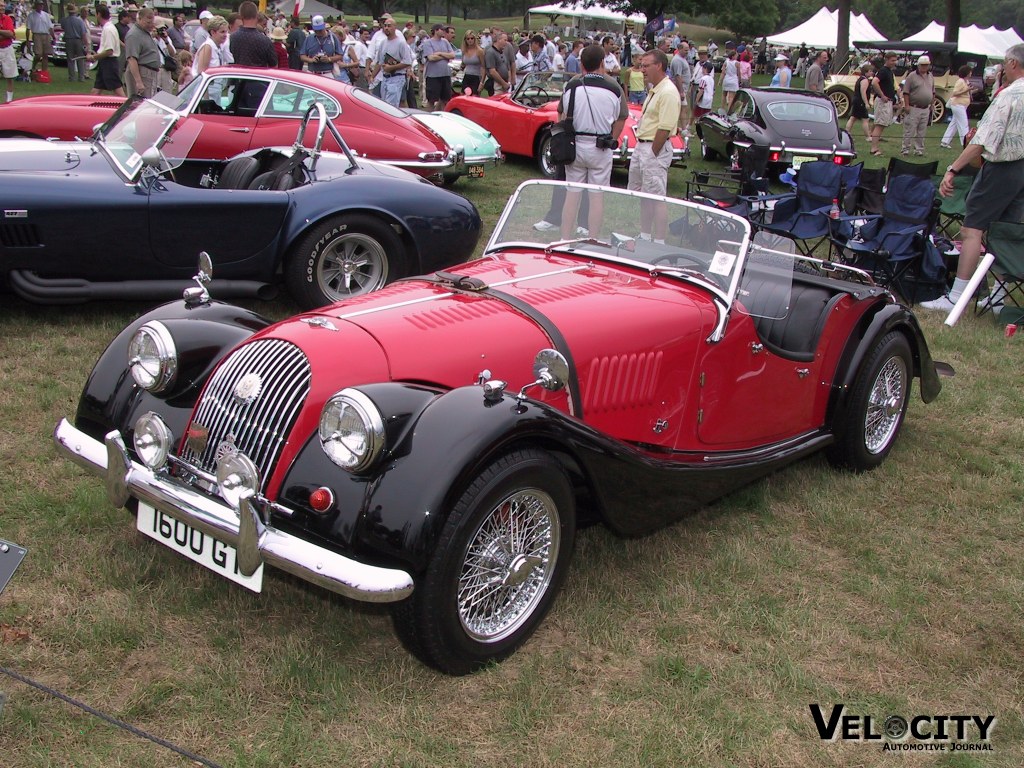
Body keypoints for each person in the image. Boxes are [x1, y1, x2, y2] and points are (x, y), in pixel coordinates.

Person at [921, 44, 1024, 314]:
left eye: (1004, 63)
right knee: (1006, 232)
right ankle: (998, 300)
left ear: (1013, 64)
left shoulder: (1008, 95)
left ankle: (957, 297)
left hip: (1002, 168)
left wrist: (954, 168)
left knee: (971, 229)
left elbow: (982, 140)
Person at [558, 43, 627, 239]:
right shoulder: (614, 88)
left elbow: (561, 114)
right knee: (597, 197)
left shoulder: (571, 86)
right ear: (602, 63)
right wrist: (612, 138)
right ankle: (593, 237)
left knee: (572, 194)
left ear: (582, 64)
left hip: (576, 145)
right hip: (600, 147)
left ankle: (564, 237)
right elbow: (621, 117)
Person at [629, 49, 677, 243]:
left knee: (657, 196)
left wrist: (653, 154)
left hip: (654, 148)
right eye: (641, 65)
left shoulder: (668, 92)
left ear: (659, 66)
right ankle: (645, 235)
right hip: (643, 146)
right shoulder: (655, 89)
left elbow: (664, 129)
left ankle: (658, 241)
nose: (642, 70)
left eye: (646, 65)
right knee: (643, 193)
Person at [372, 17, 411, 107]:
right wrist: (372, 77)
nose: (386, 28)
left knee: (390, 106)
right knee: (383, 105)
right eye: (385, 26)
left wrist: (391, 68)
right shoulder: (383, 43)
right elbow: (380, 62)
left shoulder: (401, 43)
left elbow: (407, 62)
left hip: (396, 78)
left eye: (389, 26)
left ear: (394, 27)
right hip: (385, 78)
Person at [901, 54, 934, 156]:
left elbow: (933, 91)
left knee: (922, 131)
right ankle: (905, 149)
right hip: (913, 106)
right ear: (918, 65)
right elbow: (906, 92)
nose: (924, 67)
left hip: (925, 108)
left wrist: (932, 103)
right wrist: (906, 105)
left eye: (926, 65)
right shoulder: (911, 76)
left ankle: (919, 149)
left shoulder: (931, 76)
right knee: (909, 129)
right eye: (922, 65)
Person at [85, 5, 123, 95]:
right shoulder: (108, 27)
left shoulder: (108, 29)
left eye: (96, 14)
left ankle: (129, 107)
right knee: (96, 89)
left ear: (99, 14)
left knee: (117, 89)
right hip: (104, 63)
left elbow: (109, 51)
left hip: (109, 63)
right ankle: (89, 107)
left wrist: (93, 57)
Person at [124, 7, 160, 98]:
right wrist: (138, 82)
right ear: (139, 19)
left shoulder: (144, 32)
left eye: (152, 22)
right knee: (141, 106)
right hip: (142, 73)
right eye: (148, 22)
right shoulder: (134, 35)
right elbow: (132, 59)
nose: (151, 25)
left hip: (150, 74)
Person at [869, 52, 898, 156]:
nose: (894, 62)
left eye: (895, 60)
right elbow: (874, 82)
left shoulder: (889, 72)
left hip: (887, 101)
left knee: (881, 124)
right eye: (892, 60)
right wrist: (882, 95)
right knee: (879, 125)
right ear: (887, 60)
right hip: (882, 101)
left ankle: (875, 146)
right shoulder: (883, 71)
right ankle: (874, 149)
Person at [230, 1, 275, 68]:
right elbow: (274, 65)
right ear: (256, 16)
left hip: (238, 76)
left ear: (241, 16)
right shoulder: (265, 40)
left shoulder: (232, 38)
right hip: (257, 77)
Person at [421, 22, 455, 111]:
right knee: (431, 100)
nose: (444, 31)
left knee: (445, 99)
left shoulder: (445, 41)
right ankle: (430, 118)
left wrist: (440, 53)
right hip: (433, 76)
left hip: (445, 75)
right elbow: (431, 57)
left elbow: (452, 55)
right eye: (442, 29)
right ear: (436, 31)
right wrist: (445, 56)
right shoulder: (428, 43)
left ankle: (443, 117)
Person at [941, 65, 973, 149]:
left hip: (962, 105)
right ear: (966, 73)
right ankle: (965, 143)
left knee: (954, 123)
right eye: (970, 71)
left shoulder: (966, 82)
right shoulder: (960, 81)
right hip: (958, 105)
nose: (971, 73)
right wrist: (966, 90)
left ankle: (945, 141)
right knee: (963, 124)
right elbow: (955, 93)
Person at [192, 15, 228, 80]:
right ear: (213, 32)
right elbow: (202, 73)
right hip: (208, 88)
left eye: (226, 31)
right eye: (222, 32)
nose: (225, 35)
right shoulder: (207, 47)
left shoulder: (219, 47)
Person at [846, 62, 874, 144]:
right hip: (860, 101)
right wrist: (866, 103)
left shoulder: (860, 79)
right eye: (870, 71)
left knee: (853, 117)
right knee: (865, 119)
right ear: (866, 72)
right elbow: (863, 92)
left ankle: (847, 133)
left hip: (856, 100)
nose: (872, 72)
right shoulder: (865, 80)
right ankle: (868, 136)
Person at [60, 4, 89, 82]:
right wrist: (86, 44)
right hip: (78, 40)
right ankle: (81, 77)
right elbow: (83, 33)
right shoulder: (79, 21)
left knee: (70, 59)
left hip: (68, 40)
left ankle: (72, 77)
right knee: (80, 59)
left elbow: (63, 28)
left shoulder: (64, 20)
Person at [26, 0, 52, 75]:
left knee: (46, 54)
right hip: (37, 34)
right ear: (36, 6)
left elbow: (50, 27)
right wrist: (28, 40)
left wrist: (52, 36)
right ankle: (34, 65)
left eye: (42, 5)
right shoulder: (31, 15)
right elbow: (28, 29)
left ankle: (44, 71)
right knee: (38, 54)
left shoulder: (46, 15)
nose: (41, 6)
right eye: (39, 5)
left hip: (46, 35)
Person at [670, 43, 690, 134]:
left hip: (683, 88)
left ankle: (680, 128)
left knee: (682, 108)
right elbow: (677, 76)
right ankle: (684, 130)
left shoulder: (682, 59)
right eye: (686, 50)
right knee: (683, 108)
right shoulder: (677, 60)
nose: (687, 52)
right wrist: (681, 92)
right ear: (680, 49)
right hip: (679, 89)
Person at [154, 22, 177, 93]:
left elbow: (172, 53)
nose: (161, 31)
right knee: (155, 92)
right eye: (159, 30)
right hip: (155, 69)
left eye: (163, 29)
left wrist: (166, 41)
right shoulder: (150, 39)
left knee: (167, 91)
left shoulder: (166, 39)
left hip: (165, 69)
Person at [460, 30, 484, 94]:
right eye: (468, 39)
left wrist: (482, 82)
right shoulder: (464, 51)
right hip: (466, 76)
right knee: (463, 97)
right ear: (465, 40)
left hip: (476, 77)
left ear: (474, 39)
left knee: (474, 98)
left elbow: (483, 67)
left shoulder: (479, 51)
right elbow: (463, 64)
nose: (470, 40)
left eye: (472, 38)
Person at [0, 3, 14, 101]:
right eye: (0, 6)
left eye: (3, 6)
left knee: (10, 76)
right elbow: (8, 33)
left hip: (7, 48)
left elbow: (11, 33)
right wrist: (6, 33)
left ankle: (9, 100)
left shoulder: (8, 19)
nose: (2, 8)